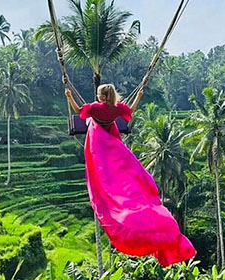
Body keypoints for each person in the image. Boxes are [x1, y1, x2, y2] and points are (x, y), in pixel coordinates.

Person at [65, 84, 196, 266]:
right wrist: (139, 95)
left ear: (102, 97)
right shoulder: (116, 107)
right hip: (112, 135)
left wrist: (69, 96)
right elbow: (131, 110)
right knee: (124, 167)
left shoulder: (96, 108)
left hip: (99, 139)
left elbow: (80, 110)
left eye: (98, 95)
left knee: (103, 171)